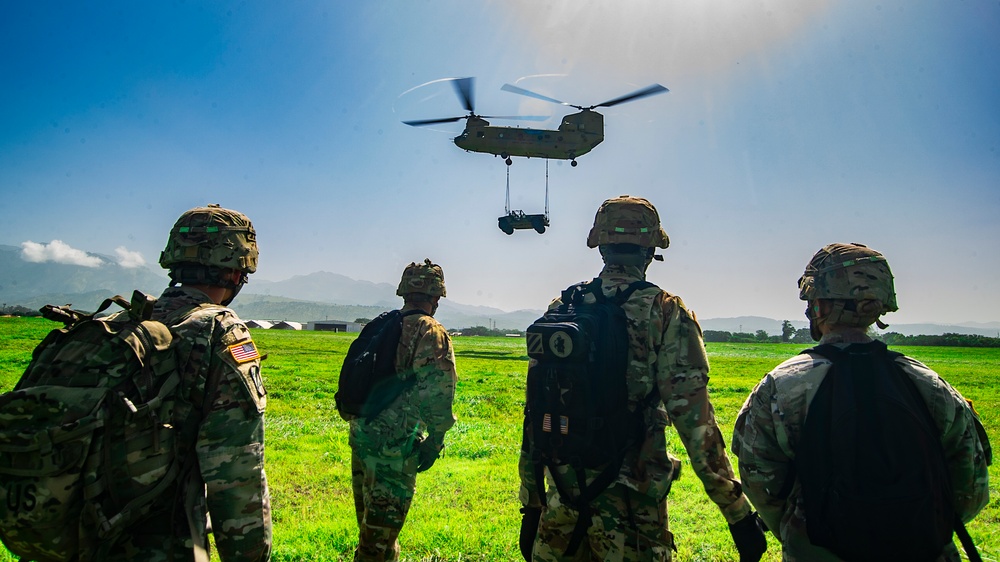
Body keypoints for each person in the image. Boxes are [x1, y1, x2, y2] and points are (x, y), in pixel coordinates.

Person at [518, 195, 767, 562]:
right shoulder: (663, 310)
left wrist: (531, 500)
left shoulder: (564, 305)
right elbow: (695, 420)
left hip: (562, 493)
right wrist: (736, 511)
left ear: (601, 245)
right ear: (650, 249)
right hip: (631, 505)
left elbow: (536, 405)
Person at [732, 242, 991, 561]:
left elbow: (761, 486)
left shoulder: (780, 386)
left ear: (818, 305)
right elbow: (971, 491)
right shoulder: (929, 384)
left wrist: (803, 534)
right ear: (880, 304)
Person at [105, 204, 272, 561]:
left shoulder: (119, 323)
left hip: (84, 531)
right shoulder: (219, 330)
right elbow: (237, 473)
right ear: (238, 270)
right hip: (160, 542)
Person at [349, 259, 458, 561]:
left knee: (371, 530)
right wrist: (435, 440)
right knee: (378, 543)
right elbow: (439, 393)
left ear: (404, 292)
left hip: (362, 436)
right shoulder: (430, 331)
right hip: (395, 447)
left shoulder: (385, 324)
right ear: (436, 297)